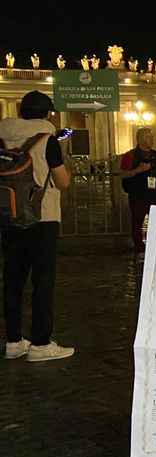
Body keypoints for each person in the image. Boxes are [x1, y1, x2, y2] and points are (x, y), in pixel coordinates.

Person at [1, 91, 74, 362]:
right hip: (42, 218)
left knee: (12, 280)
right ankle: (41, 344)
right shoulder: (47, 140)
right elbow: (63, 181)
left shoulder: (2, 136)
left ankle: (13, 341)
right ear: (47, 114)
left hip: (8, 216)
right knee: (42, 281)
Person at [119, 127, 156, 256]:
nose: (152, 139)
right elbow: (123, 174)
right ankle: (139, 247)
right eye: (148, 137)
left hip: (155, 194)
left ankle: (155, 244)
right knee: (137, 222)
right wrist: (137, 170)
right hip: (138, 193)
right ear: (140, 139)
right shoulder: (130, 156)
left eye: (152, 137)